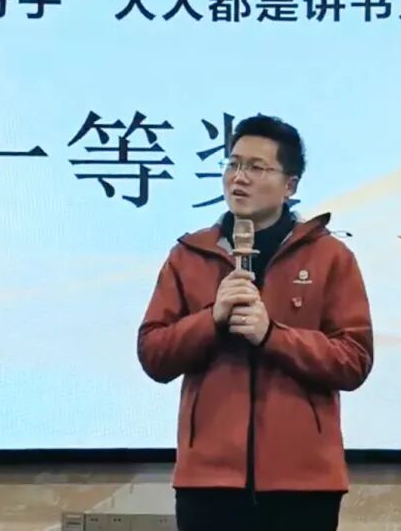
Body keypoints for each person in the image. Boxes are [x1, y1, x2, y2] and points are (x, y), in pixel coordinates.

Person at [137, 114, 375, 531]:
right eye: (232, 164)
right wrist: (211, 319)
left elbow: (354, 360)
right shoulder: (189, 256)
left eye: (256, 167)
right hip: (208, 483)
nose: (239, 178)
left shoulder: (330, 257)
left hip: (303, 485)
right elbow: (154, 354)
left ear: (290, 185)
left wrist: (272, 336)